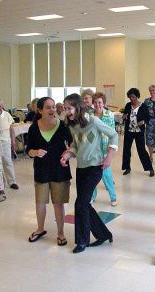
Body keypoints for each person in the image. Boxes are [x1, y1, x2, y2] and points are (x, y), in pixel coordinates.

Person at [61, 93, 118, 254]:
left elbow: (113, 135)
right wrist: (68, 154)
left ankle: (82, 241)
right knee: (84, 203)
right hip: (81, 167)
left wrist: (109, 156)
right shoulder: (73, 126)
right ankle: (104, 234)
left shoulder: (93, 121)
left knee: (80, 204)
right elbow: (76, 146)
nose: (67, 112)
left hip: (95, 167)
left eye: (69, 108)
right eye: (65, 109)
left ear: (78, 107)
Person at [26, 97, 73, 246]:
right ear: (40, 110)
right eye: (48, 107)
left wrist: (68, 152)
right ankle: (40, 229)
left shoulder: (62, 125)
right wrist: (35, 152)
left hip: (59, 170)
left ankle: (60, 233)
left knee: (58, 203)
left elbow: (72, 142)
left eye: (53, 107)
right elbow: (28, 150)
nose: (52, 110)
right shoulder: (34, 127)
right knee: (40, 202)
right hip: (41, 170)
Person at [90, 92, 117, 207]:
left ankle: (113, 197)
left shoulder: (109, 115)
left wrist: (110, 152)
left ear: (104, 103)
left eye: (100, 102)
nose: (97, 105)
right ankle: (92, 196)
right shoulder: (89, 115)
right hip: (92, 150)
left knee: (107, 175)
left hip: (105, 149)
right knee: (92, 177)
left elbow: (113, 133)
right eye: (95, 102)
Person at [122, 88, 155, 177]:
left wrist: (143, 121)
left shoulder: (143, 106)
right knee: (126, 149)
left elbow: (147, 118)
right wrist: (124, 116)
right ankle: (127, 168)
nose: (131, 99)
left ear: (137, 96)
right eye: (130, 97)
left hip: (139, 131)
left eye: (133, 97)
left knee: (141, 150)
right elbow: (125, 115)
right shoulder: (128, 105)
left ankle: (150, 168)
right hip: (129, 131)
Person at [0, 98, 19, 189]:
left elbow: (11, 129)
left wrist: (13, 141)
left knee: (7, 161)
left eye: (0, 106)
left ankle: (12, 182)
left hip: (6, 141)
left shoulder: (7, 115)